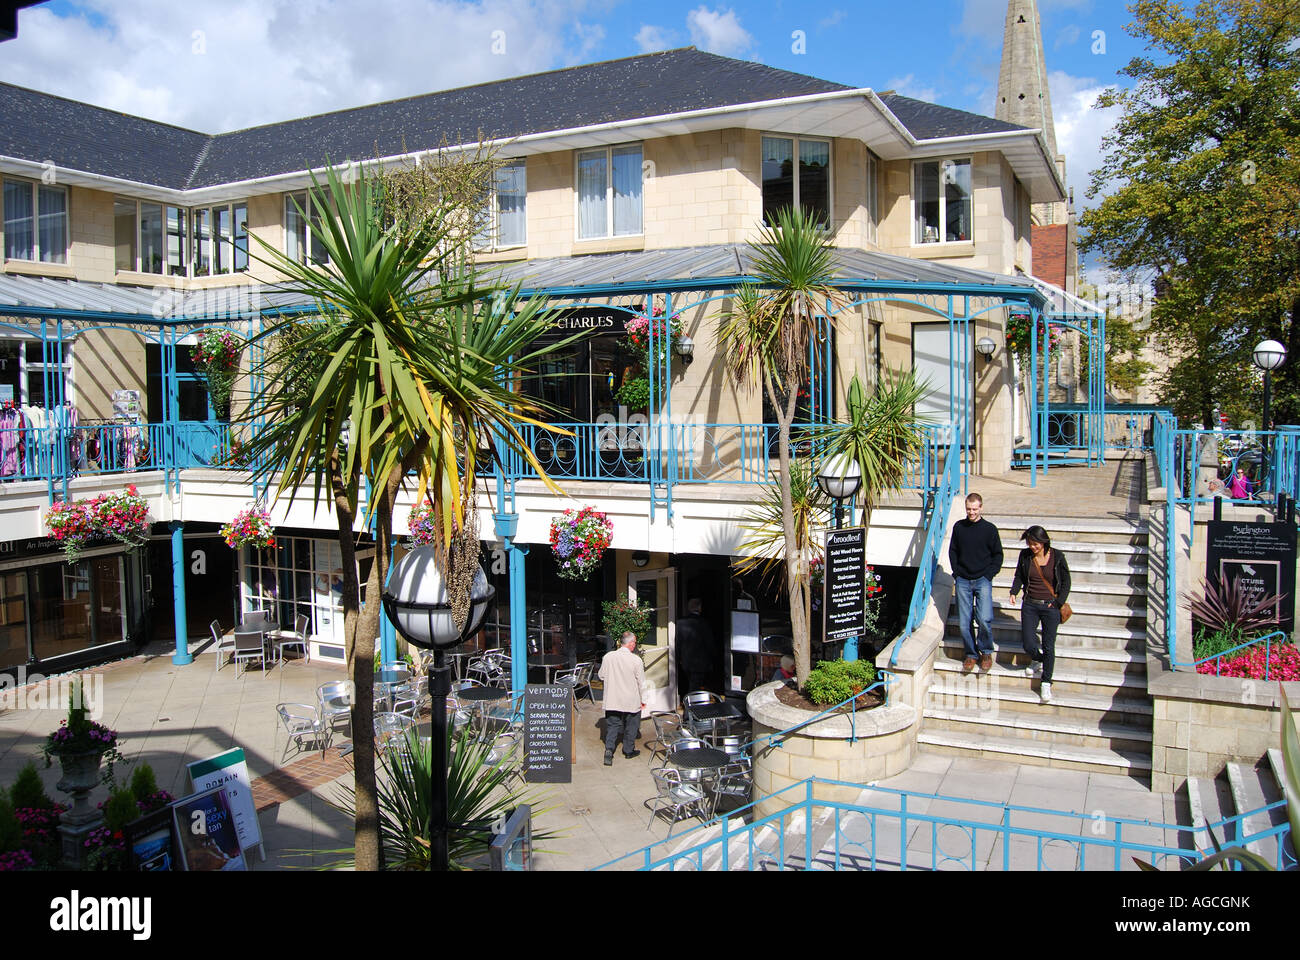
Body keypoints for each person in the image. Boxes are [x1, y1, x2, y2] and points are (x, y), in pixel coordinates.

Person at [1007, 525, 1071, 704]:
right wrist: (1014, 591)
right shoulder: (1025, 555)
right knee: (1028, 642)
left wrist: (1058, 602)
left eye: (1035, 544)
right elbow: (1019, 575)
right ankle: (1038, 659)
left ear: (1044, 542)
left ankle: (1046, 681)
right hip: (1030, 604)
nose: (1033, 547)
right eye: (1030, 543)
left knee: (1049, 645)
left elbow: (1066, 581)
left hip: (1050, 607)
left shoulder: (1057, 556)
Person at [948, 492, 1003, 673]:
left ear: (981, 508)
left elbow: (998, 555)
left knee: (984, 618)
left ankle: (986, 651)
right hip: (963, 579)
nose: (971, 512)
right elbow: (953, 551)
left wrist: (989, 574)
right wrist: (957, 573)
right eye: (968, 509)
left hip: (982, 579)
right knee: (964, 622)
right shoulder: (959, 527)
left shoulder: (990, 529)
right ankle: (971, 654)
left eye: (974, 509)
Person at [598, 631, 645, 765]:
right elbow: (641, 682)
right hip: (631, 699)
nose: (635, 645)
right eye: (634, 642)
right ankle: (628, 750)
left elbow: (601, 675)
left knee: (613, 725)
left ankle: (609, 750)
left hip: (613, 698)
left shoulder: (608, 657)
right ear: (630, 644)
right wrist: (644, 700)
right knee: (631, 725)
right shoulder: (636, 660)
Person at [675, 597, 716, 697]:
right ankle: (691, 708)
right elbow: (710, 644)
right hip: (700, 663)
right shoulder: (704, 623)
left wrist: (679, 658)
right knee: (695, 687)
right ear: (700, 608)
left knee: (692, 684)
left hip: (686, 662)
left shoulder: (680, 623)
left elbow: (677, 643)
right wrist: (713, 658)